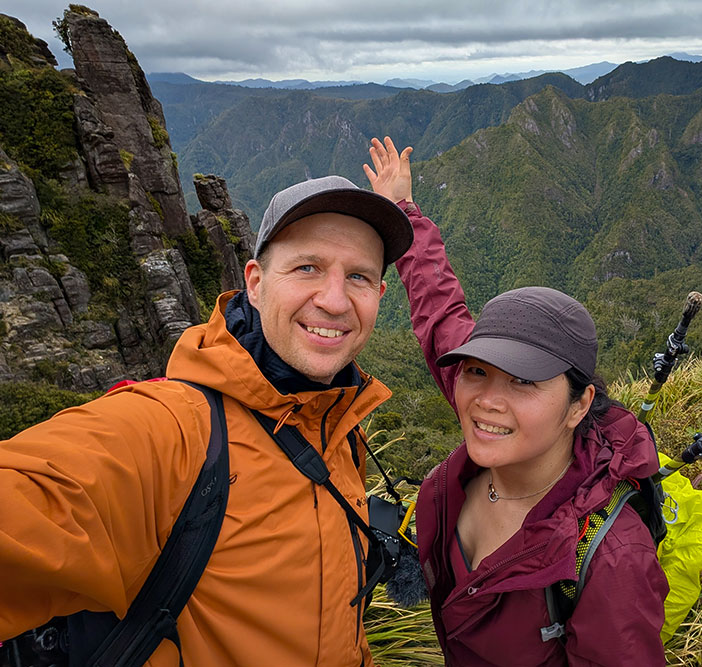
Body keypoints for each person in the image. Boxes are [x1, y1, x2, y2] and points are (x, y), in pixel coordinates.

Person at [0, 175, 413, 665]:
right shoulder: (172, 430)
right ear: (256, 284)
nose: (335, 299)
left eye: (359, 277)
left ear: (380, 294)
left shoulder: (339, 423)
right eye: (307, 267)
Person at [366, 137, 669, 665]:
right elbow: (440, 312)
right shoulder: (486, 416)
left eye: (525, 382)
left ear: (579, 404)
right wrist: (403, 211)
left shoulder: (610, 559)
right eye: (478, 371)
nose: (488, 401)